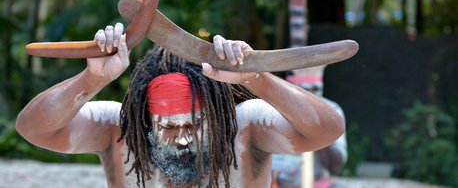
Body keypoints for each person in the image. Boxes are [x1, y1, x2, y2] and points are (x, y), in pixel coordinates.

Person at [16, 22, 345, 188]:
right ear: (145, 118)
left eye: (194, 123)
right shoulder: (119, 130)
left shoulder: (245, 127)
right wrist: (92, 79)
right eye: (168, 126)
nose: (183, 137)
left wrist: (255, 78)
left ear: (216, 117)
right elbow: (33, 128)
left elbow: (327, 130)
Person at [271, 66, 348, 188]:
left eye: (316, 89)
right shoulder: (273, 109)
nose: (312, 96)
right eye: (305, 90)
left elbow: (336, 167)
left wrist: (320, 133)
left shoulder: (332, 111)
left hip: (317, 183)